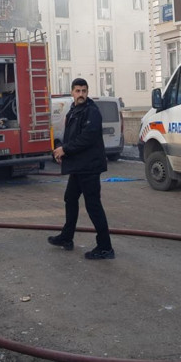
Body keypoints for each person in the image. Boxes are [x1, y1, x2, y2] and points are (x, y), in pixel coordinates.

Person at [49, 78, 115, 260]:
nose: (81, 94)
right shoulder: (74, 110)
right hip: (79, 166)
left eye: (84, 91)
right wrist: (65, 154)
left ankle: (105, 247)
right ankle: (66, 238)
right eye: (77, 91)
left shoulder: (91, 112)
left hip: (89, 167)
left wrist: (65, 149)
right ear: (72, 92)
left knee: (93, 205)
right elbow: (72, 137)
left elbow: (87, 138)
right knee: (70, 198)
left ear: (87, 92)